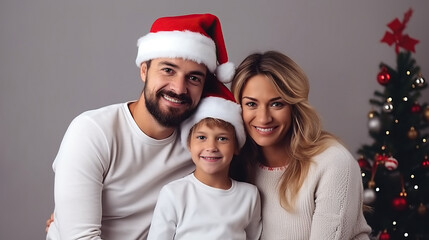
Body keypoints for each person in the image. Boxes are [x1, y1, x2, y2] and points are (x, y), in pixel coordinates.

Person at [46, 13, 235, 240]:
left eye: (194, 78)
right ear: (144, 70)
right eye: (168, 70)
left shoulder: (201, 145)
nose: (178, 88)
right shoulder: (93, 132)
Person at [230, 51, 372, 239]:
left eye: (277, 104)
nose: (263, 118)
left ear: (294, 107)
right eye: (251, 104)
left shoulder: (333, 163)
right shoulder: (237, 164)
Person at [146, 85, 262, 240]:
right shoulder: (174, 193)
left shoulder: (249, 195)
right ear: (189, 144)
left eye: (222, 138)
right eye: (201, 137)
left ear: (236, 146)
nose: (211, 147)